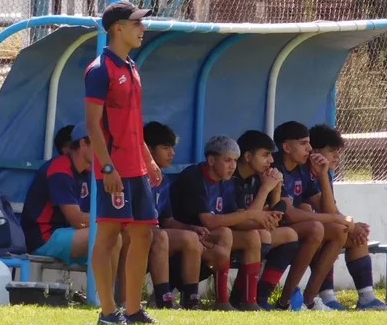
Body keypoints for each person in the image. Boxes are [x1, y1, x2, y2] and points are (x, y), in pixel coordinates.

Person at [85, 1, 162, 325]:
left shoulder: (131, 67)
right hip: (113, 169)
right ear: (118, 28)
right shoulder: (100, 70)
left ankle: (132, 309)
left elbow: (133, 122)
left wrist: (148, 159)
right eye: (136, 23)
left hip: (137, 168)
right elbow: (92, 124)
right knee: (109, 236)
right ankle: (107, 312)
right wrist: (106, 168)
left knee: (144, 234)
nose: (142, 29)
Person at [170, 135, 285, 311]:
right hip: (184, 235)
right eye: (227, 160)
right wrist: (252, 214)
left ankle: (248, 300)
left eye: (235, 161)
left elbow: (234, 219)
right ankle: (220, 300)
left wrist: (262, 221)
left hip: (209, 237)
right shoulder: (194, 176)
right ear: (211, 160)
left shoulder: (228, 182)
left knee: (252, 236)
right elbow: (208, 221)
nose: (233, 166)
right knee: (225, 233)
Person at [232, 130, 319, 309]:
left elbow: (276, 212)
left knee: (288, 234)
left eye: (271, 155)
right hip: (228, 232)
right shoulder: (233, 179)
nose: (271, 161)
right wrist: (266, 189)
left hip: (251, 230)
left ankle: (262, 296)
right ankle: (240, 297)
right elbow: (246, 217)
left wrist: (276, 189)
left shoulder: (258, 177)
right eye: (265, 155)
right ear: (248, 156)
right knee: (260, 236)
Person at [309, 123, 387, 310]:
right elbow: (328, 212)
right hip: (307, 231)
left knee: (357, 236)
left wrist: (352, 225)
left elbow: (333, 210)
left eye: (338, 151)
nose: (337, 156)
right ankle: (326, 297)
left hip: (321, 227)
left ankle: (367, 298)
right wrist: (349, 225)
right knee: (339, 231)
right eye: (332, 151)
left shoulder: (325, 173)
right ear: (315, 152)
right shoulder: (307, 173)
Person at [273, 120, 351, 311]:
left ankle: (310, 298)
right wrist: (334, 218)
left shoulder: (303, 170)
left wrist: (323, 175)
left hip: (289, 228)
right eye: (303, 144)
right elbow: (289, 214)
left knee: (341, 230)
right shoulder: (275, 167)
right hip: (271, 228)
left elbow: (327, 210)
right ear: (286, 147)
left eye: (309, 143)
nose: (309, 149)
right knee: (316, 228)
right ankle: (286, 301)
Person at [135, 121, 205, 309]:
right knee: (161, 235)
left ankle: (191, 299)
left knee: (191, 238)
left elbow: (167, 219)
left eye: (172, 148)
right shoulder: (134, 175)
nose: (171, 153)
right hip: (133, 233)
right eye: (165, 148)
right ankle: (163, 298)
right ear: (148, 149)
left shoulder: (163, 180)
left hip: (155, 233)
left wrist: (191, 228)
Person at [21, 122, 108, 268]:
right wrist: (112, 220)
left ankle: (115, 291)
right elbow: (77, 219)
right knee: (108, 234)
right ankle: (103, 291)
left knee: (122, 237)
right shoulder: (59, 169)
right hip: (45, 238)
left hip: (71, 235)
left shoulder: (89, 173)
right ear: (82, 143)